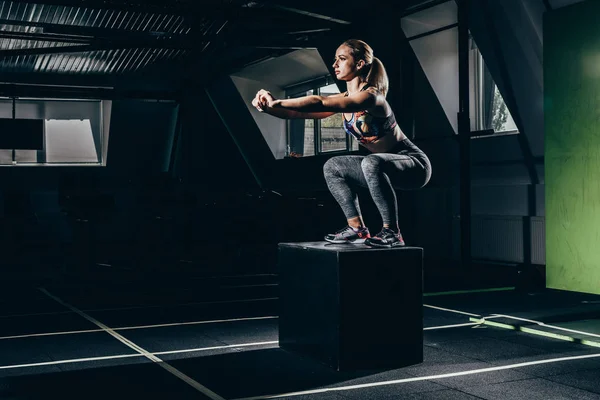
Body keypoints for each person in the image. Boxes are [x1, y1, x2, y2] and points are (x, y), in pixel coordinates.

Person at [251, 39, 431, 248]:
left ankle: (392, 232)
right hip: (382, 168)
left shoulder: (372, 97)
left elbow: (320, 101)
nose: (335, 64)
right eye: (335, 59)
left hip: (413, 165)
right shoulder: (345, 98)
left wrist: (277, 101)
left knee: (371, 162)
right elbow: (295, 112)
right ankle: (357, 228)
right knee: (333, 166)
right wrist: (268, 107)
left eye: (342, 59)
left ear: (360, 64)